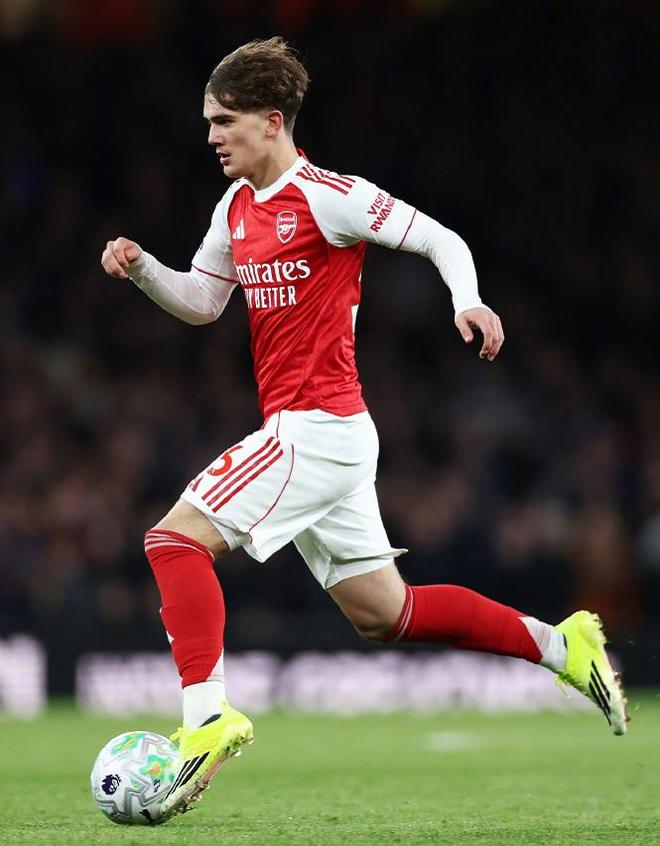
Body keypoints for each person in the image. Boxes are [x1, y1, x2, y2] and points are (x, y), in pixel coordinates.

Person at [101, 37, 627, 819]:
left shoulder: (331, 197)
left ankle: (206, 720)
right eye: (208, 121)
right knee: (388, 613)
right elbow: (203, 303)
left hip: (316, 429)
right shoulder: (234, 208)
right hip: (323, 436)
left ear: (272, 121)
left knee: (172, 541)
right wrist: (144, 268)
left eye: (223, 121)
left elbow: (440, 238)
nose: (210, 136)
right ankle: (563, 646)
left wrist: (467, 301)